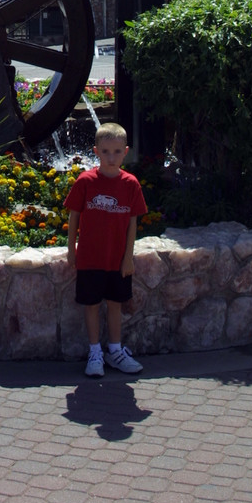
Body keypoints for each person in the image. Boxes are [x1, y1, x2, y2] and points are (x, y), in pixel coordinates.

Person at [64, 122, 147, 377]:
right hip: (90, 257)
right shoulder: (85, 181)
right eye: (106, 151)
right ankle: (94, 353)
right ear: (96, 151)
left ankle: (115, 350)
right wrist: (71, 249)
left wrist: (128, 257)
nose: (111, 158)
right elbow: (74, 216)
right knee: (91, 304)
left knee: (115, 304)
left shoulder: (131, 184)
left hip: (117, 259)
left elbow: (132, 222)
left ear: (126, 152)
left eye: (117, 152)